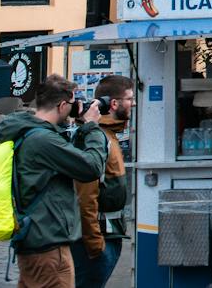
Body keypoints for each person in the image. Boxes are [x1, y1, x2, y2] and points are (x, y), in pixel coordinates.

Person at [0, 75, 110, 288]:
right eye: (73, 103)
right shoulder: (43, 140)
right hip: (48, 246)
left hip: (35, 239)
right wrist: (92, 126)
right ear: (62, 105)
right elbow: (91, 167)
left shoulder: (28, 131)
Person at [72, 75, 133, 288]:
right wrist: (94, 242)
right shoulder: (97, 137)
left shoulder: (109, 134)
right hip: (98, 239)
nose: (132, 103)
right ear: (114, 103)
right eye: (129, 98)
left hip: (108, 234)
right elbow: (85, 194)